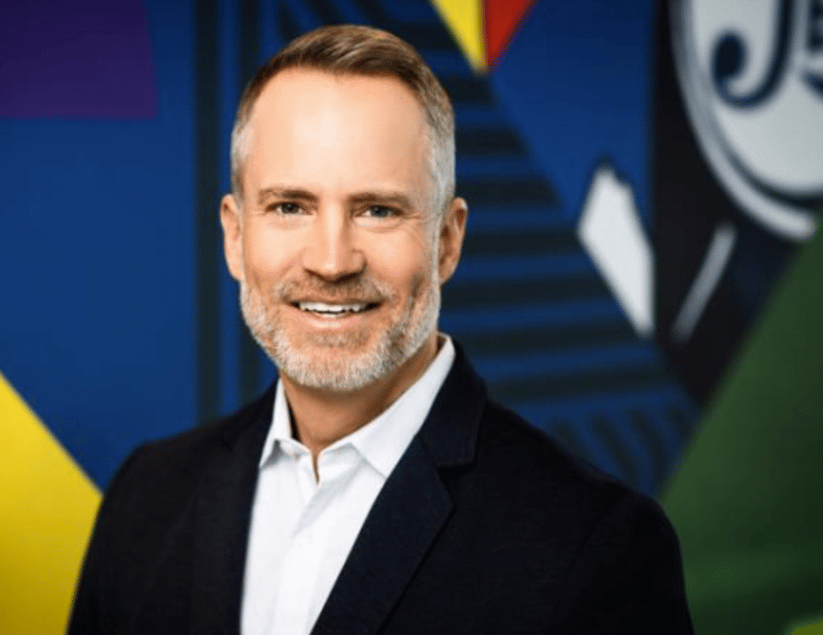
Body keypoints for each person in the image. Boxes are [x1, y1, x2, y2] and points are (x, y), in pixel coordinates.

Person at [67, 25, 694, 635]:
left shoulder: (597, 546)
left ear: (447, 241)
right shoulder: (145, 498)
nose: (332, 261)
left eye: (378, 210)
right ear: (235, 235)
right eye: (290, 206)